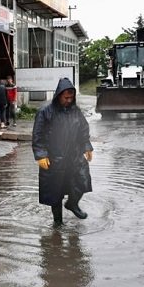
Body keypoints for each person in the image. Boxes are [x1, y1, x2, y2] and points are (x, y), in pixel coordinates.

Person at [32, 77, 93, 226]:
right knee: (56, 191)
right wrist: (41, 155)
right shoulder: (45, 112)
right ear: (59, 95)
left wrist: (86, 146)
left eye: (71, 97)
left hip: (74, 156)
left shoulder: (75, 111)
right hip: (54, 158)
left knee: (82, 181)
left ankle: (72, 204)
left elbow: (83, 130)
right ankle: (58, 222)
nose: (68, 100)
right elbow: (38, 135)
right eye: (66, 97)